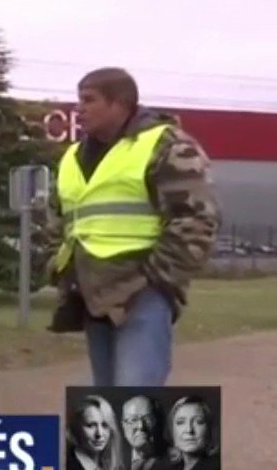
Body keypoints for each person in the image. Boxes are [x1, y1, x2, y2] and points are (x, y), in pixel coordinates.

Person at [49, 68, 220, 387]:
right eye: (78, 99)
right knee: (108, 405)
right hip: (91, 293)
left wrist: (156, 280)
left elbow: (197, 218)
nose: (79, 109)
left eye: (89, 100)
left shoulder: (165, 144)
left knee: (136, 401)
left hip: (142, 292)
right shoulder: (73, 156)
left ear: (120, 104)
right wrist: (59, 266)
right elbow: (59, 219)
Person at [146, 395, 221, 470]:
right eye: (180, 422)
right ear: (173, 431)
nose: (189, 430)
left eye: (199, 422)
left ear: (210, 429)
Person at [65, 395, 128, 470]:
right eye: (90, 425)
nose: (99, 434)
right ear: (76, 428)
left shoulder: (111, 468)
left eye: (105, 425)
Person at [121, 394, 166, 470]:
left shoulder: (179, 461)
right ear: (123, 426)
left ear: (159, 422)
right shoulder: (111, 460)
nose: (141, 426)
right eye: (133, 420)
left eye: (148, 419)